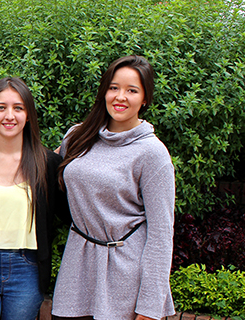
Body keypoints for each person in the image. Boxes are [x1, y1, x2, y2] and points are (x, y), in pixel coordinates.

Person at [51, 55, 176, 320]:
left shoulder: (153, 154)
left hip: (125, 273)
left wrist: (150, 308)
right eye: (114, 87)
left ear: (145, 98)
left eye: (132, 90)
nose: (120, 97)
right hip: (77, 264)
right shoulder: (78, 136)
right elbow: (46, 174)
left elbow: (161, 235)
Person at [0, 77, 70, 320]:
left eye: (18, 108)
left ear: (28, 115)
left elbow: (70, 214)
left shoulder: (47, 162)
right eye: (1, 107)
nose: (9, 115)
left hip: (26, 268)